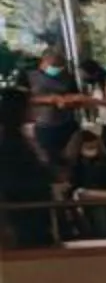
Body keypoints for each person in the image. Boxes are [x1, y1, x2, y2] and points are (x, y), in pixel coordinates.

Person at [0, 89, 57, 247]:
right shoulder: (11, 142)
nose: (34, 110)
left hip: (30, 211)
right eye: (29, 106)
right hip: (26, 212)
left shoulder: (20, 136)